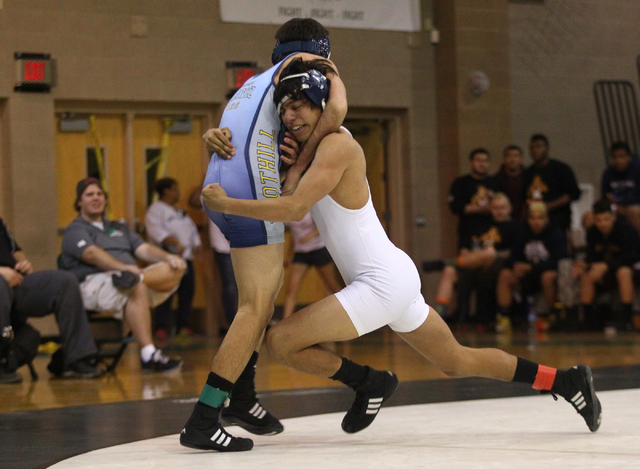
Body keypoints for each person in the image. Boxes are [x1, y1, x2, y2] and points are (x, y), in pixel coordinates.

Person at [201, 59, 602, 447]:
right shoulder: (307, 150)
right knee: (456, 361)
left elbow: (293, 209)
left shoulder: (338, 146)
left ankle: (370, 383)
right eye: (285, 109)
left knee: (281, 342)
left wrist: (228, 205)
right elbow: (275, 177)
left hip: (381, 283)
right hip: (391, 276)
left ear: (323, 106)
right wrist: (215, 138)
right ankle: (566, 381)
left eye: (301, 105)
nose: (290, 116)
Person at [179, 18, 348, 452]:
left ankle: (244, 397)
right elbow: (338, 111)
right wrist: (300, 163)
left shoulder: (252, 83)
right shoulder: (313, 63)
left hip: (224, 177)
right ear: (322, 48)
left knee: (262, 301)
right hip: (251, 189)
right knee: (254, 309)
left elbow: (225, 135)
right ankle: (203, 418)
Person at [60, 177, 185, 373]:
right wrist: (123, 268)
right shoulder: (75, 230)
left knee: (177, 267)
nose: (96, 198)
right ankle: (148, 354)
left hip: (130, 279)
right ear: (79, 202)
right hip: (94, 282)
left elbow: (143, 249)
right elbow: (92, 254)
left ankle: (139, 279)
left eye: (99, 194)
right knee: (136, 285)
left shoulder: (119, 227)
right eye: (89, 195)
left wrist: (168, 257)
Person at [0, 216, 102, 382]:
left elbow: (15, 250)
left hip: (15, 283)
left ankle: (78, 358)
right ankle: (2, 360)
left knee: (64, 282)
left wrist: (23, 263)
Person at [425, 193, 522, 328]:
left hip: (495, 268)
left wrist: (486, 254)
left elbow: (513, 253)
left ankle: (446, 262)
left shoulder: (516, 227)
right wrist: (472, 255)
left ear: (510, 208)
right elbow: (466, 248)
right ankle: (439, 317)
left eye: (502, 208)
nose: (498, 211)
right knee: (449, 271)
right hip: (471, 266)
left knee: (489, 252)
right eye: (495, 208)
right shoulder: (480, 225)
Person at [496, 202, 569, 331]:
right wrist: (516, 265)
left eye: (540, 218)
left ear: (546, 219)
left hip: (547, 274)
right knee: (505, 274)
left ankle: (553, 315)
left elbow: (559, 260)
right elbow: (513, 256)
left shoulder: (556, 234)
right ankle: (504, 315)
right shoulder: (521, 233)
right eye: (533, 218)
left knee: (547, 276)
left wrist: (531, 267)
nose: (536, 222)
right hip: (526, 276)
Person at [145, 177, 201, 341]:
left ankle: (183, 326)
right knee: (165, 293)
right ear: (166, 191)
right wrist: (174, 242)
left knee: (186, 292)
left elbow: (191, 228)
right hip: (167, 260)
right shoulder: (155, 210)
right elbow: (156, 231)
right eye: (175, 189)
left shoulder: (178, 211)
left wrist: (196, 244)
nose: (178, 192)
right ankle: (161, 327)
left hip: (186, 259)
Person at [572, 199, 640, 332]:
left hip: (629, 269)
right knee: (587, 275)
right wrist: (584, 265)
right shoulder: (592, 233)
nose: (603, 224)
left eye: (606, 219)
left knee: (623, 272)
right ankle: (588, 321)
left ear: (613, 217)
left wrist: (606, 265)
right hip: (605, 271)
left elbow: (632, 256)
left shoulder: (626, 230)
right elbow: (592, 256)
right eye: (599, 220)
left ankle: (627, 320)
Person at [282, 212, 342, 320]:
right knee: (291, 288)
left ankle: (347, 314)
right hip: (300, 252)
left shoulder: (312, 208)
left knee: (332, 285)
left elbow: (324, 226)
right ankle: (285, 320)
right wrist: (288, 255)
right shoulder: (292, 211)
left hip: (318, 249)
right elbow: (293, 235)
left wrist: (310, 236)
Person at [523, 134, 581, 232]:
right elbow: (525, 198)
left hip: (557, 218)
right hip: (534, 220)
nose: (535, 151)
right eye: (532, 148)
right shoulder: (528, 173)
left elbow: (573, 193)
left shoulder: (561, 169)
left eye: (538, 147)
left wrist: (549, 206)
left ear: (546, 149)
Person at [448, 148, 503, 250]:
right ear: (471, 162)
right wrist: (484, 208)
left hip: (491, 228)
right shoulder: (461, 183)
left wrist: (493, 197)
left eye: (485, 161)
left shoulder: (496, 182)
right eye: (478, 161)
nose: (482, 164)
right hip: (468, 230)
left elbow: (504, 205)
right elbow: (456, 207)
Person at [599, 141, 640, 234]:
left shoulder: (637, 170)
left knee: (632, 211)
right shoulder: (608, 173)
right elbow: (604, 195)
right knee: (590, 217)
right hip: (615, 207)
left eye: (621, 156)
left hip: (634, 205)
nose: (618, 160)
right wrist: (616, 206)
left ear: (629, 157)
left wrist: (623, 204)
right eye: (614, 157)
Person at [496, 144, 526, 220]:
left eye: (516, 156)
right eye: (509, 156)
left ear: (521, 159)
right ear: (504, 159)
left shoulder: (528, 177)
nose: (512, 159)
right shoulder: (496, 179)